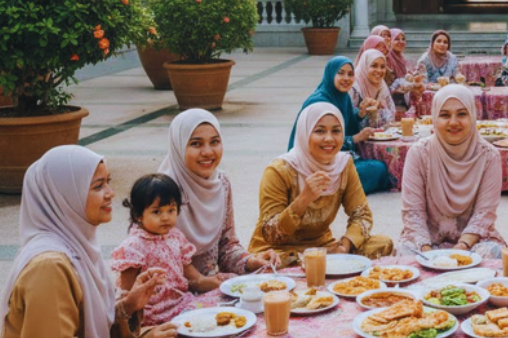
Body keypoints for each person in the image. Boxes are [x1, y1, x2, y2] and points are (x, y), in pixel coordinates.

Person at [0, 146, 177, 338]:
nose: (110, 194)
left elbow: (86, 330)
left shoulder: (78, 247)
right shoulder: (48, 267)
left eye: (108, 183)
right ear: (64, 196)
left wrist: (129, 305)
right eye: (97, 186)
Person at [250, 103, 394, 260]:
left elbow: (362, 215)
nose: (329, 139)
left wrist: (344, 247)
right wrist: (303, 199)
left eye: (336, 131)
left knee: (382, 243)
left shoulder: (343, 165)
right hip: (279, 251)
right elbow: (271, 235)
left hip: (322, 247)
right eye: (319, 131)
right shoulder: (279, 170)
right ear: (304, 134)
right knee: (274, 262)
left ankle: (323, 260)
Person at [160, 110, 279, 279]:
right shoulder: (160, 193)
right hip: (169, 293)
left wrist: (251, 261)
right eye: (196, 144)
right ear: (178, 146)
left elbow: (226, 246)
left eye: (214, 142)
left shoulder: (221, 184)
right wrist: (200, 283)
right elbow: (154, 257)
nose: (208, 152)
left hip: (211, 289)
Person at [398, 85, 507, 259]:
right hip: (425, 238)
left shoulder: (488, 156)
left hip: (473, 241)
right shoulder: (419, 153)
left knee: (492, 253)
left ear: (473, 115)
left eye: (462, 114)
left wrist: (461, 248)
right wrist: (427, 254)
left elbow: (484, 212)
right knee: (405, 254)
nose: (454, 122)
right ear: (434, 118)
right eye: (445, 115)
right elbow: (413, 212)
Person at [111, 174, 223, 326]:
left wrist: (211, 282)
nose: (165, 217)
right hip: (153, 313)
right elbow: (126, 293)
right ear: (138, 214)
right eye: (157, 212)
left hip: (181, 302)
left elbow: (190, 273)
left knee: (222, 307)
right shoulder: (134, 247)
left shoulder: (175, 236)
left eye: (171, 210)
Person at [287, 56, 392, 194]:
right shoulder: (319, 102)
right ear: (330, 74)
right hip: (314, 164)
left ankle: (338, 186)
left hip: (335, 157)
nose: (346, 78)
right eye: (340, 73)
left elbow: (345, 125)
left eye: (350, 74)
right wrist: (355, 139)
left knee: (378, 167)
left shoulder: (342, 97)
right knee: (377, 170)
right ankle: (331, 187)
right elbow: (316, 143)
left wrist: (359, 114)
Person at [350, 49, 396, 128]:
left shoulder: (382, 86)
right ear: (365, 66)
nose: (379, 70)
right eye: (374, 66)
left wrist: (381, 108)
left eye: (382, 67)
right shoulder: (354, 89)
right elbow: (348, 121)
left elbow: (392, 115)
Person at [386, 28, 423, 111]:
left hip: (402, 97)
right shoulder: (388, 59)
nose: (401, 42)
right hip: (392, 101)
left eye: (403, 39)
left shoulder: (401, 59)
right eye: (396, 39)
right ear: (390, 41)